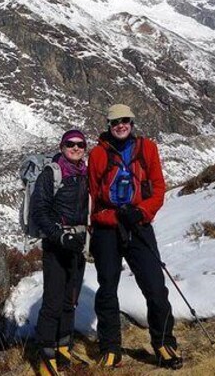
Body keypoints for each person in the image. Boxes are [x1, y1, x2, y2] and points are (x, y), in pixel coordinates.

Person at [88, 104, 182, 369]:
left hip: (138, 225)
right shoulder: (97, 154)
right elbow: (94, 197)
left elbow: (158, 187)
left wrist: (141, 212)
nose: (121, 125)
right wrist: (107, 220)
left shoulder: (147, 148)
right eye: (115, 121)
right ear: (108, 124)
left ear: (132, 122)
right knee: (107, 289)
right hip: (107, 229)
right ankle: (110, 348)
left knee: (154, 285)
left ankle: (164, 343)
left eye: (125, 120)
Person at [31, 129, 90, 376]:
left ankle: (63, 349)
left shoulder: (85, 174)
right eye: (70, 144)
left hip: (78, 243)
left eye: (80, 144)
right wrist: (60, 236)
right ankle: (45, 356)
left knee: (70, 300)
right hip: (57, 245)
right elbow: (40, 211)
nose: (75, 148)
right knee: (53, 301)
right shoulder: (51, 173)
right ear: (62, 146)